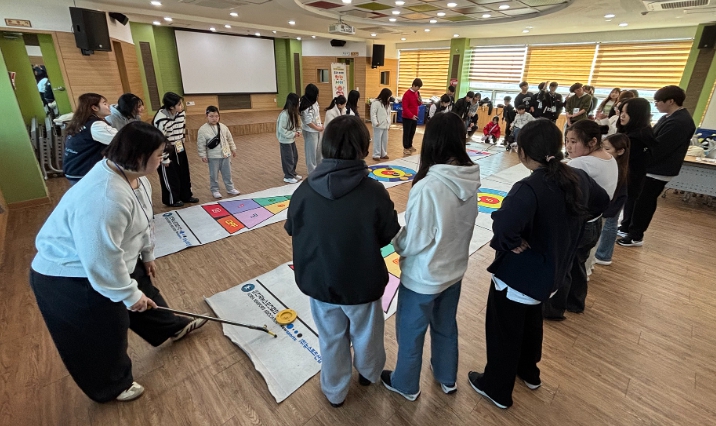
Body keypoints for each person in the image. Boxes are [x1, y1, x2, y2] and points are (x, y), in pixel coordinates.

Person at [30, 121, 208, 403]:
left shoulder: (137, 178)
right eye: (159, 154)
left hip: (113, 258)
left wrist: (147, 255)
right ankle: (111, 385)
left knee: (146, 291)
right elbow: (100, 259)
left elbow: (144, 220)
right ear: (138, 156)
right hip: (70, 274)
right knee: (106, 327)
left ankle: (169, 327)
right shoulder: (105, 197)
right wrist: (128, 295)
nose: (163, 159)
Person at [467, 119, 609, 410]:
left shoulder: (529, 187)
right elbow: (602, 202)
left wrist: (512, 242)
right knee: (531, 320)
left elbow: (503, 227)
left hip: (519, 276)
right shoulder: (577, 177)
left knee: (504, 331)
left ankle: (496, 388)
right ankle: (529, 372)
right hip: (551, 275)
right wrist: (569, 225)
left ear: (522, 152)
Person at [285, 115, 401, 408]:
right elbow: (388, 234)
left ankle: (335, 391)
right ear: (363, 147)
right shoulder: (374, 191)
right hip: (363, 282)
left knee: (331, 338)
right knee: (367, 335)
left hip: (319, 281)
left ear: (325, 146)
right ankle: (369, 374)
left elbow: (293, 229)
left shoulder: (304, 189)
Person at [381, 112, 480, 401]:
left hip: (423, 277)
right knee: (446, 326)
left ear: (432, 142)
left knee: (410, 333)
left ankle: (406, 385)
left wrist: (396, 240)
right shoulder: (470, 178)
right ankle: (447, 377)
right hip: (454, 271)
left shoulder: (428, 186)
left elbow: (415, 240)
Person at [542, 120, 617, 319]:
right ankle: (575, 302)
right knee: (577, 264)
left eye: (574, 142)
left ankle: (554, 310)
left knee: (563, 266)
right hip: (595, 221)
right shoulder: (609, 158)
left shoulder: (581, 164)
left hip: (580, 224)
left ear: (592, 142)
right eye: (566, 141)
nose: (568, 146)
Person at [617, 85, 696, 247]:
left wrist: (640, 157)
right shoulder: (669, 117)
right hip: (650, 167)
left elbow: (659, 149)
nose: (656, 104)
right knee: (636, 199)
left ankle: (635, 235)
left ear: (671, 101)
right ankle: (627, 227)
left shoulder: (680, 122)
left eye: (658, 101)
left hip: (658, 169)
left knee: (644, 202)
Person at [615, 98, 656, 240]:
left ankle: (628, 229)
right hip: (632, 177)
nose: (622, 115)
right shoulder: (637, 132)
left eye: (627, 113)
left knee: (630, 201)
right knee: (629, 201)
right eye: (621, 111)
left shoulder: (637, 137)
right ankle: (625, 226)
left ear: (637, 114)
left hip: (633, 177)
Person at [153, 92, 199, 207]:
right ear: (171, 107)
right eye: (179, 104)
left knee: (184, 172)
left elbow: (182, 128)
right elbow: (159, 141)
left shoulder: (181, 113)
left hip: (179, 145)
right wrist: (164, 158)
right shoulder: (160, 119)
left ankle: (186, 195)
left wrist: (181, 143)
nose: (182, 106)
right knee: (170, 175)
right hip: (166, 148)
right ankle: (172, 199)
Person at [63, 93, 118, 185]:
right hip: (83, 171)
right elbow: (120, 140)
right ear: (94, 108)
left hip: (73, 168)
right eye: (104, 103)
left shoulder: (80, 122)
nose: (108, 106)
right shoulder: (96, 125)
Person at [595, 133, 630, 265]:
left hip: (613, 204)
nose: (602, 151)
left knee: (609, 226)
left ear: (620, 151)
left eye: (607, 149)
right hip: (610, 203)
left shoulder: (618, 168)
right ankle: (602, 254)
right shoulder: (612, 164)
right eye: (602, 147)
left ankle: (603, 255)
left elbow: (620, 194)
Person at [197, 106, 240, 199]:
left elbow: (229, 139)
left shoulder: (223, 127)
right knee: (214, 175)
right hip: (213, 156)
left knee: (227, 173)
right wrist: (203, 155)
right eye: (211, 116)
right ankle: (215, 190)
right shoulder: (202, 129)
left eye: (216, 116)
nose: (214, 118)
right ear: (207, 116)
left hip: (225, 155)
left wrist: (233, 149)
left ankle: (230, 188)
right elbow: (201, 144)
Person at [276, 93, 303, 184]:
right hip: (285, 140)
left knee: (294, 156)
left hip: (291, 139)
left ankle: (292, 173)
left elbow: (297, 125)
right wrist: (293, 134)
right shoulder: (284, 115)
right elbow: (281, 129)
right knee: (288, 158)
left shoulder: (294, 113)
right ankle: (288, 176)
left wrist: (298, 131)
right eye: (298, 102)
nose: (299, 104)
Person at [300, 84, 324, 174]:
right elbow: (308, 121)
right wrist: (317, 128)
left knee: (319, 150)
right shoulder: (305, 105)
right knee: (311, 152)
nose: (317, 96)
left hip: (317, 129)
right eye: (316, 94)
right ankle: (312, 171)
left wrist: (320, 125)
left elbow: (317, 115)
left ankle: (319, 168)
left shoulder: (315, 102)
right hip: (310, 131)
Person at [401, 78, 423, 155]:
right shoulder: (406, 94)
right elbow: (405, 107)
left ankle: (410, 145)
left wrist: (420, 101)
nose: (418, 89)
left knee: (412, 132)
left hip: (415, 117)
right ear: (414, 85)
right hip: (407, 117)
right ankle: (406, 147)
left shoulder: (417, 93)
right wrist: (411, 116)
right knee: (407, 132)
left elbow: (418, 104)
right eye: (418, 87)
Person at [370, 88, 393, 160]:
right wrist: (375, 122)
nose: (389, 98)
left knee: (384, 140)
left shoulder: (387, 104)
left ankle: (383, 153)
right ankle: (376, 155)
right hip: (378, 125)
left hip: (385, 125)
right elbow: (373, 114)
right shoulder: (376, 103)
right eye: (388, 96)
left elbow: (389, 114)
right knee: (377, 140)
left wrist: (389, 124)